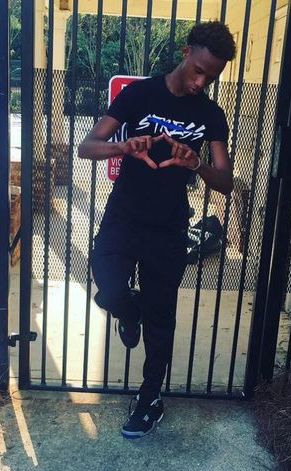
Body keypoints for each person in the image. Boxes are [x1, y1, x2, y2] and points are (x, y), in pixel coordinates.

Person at [78, 21, 236, 438]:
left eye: (211, 77)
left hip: (168, 226)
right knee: (109, 286)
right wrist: (123, 146)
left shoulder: (210, 115)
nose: (201, 83)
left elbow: (225, 181)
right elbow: (87, 146)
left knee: (161, 316)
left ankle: (150, 397)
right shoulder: (139, 94)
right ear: (186, 52)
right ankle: (128, 310)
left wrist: (196, 163)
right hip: (124, 215)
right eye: (198, 70)